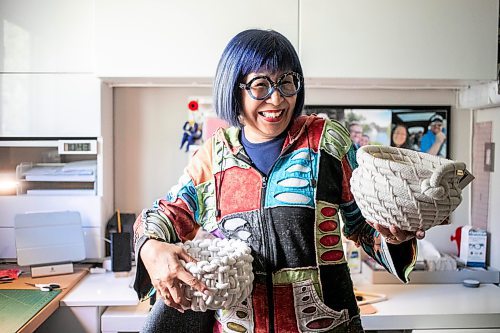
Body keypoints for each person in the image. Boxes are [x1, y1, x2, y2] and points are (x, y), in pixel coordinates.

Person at [133, 29, 425, 333]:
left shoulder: (327, 142)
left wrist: (393, 235)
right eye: (260, 85)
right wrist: (150, 248)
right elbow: (164, 215)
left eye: (286, 82)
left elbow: (365, 226)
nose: (277, 98)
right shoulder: (212, 157)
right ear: (234, 89)